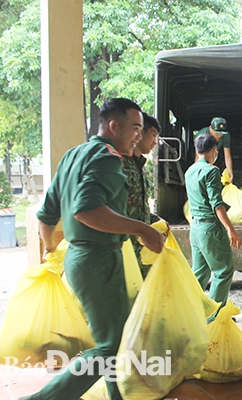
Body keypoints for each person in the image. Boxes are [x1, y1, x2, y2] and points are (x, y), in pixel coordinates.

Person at [23, 98, 165, 400]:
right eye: (136, 129)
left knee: (115, 335)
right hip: (98, 261)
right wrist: (142, 229)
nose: (138, 136)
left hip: (81, 258)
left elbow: (47, 214)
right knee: (109, 345)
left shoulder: (75, 154)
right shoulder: (107, 158)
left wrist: (50, 248)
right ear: (114, 126)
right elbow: (86, 211)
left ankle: (118, 396)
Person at [185, 133, 242, 322]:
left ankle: (191, 312)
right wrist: (230, 229)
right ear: (213, 151)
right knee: (223, 271)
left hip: (196, 229)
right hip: (210, 229)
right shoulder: (211, 171)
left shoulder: (190, 171)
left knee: (200, 273)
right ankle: (214, 317)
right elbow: (216, 205)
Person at [123, 112, 162, 278]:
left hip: (140, 246)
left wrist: (155, 220)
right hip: (123, 248)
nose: (155, 142)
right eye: (153, 135)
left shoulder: (141, 168)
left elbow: (138, 205)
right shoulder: (119, 164)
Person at [194, 117, 234, 182]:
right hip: (203, 158)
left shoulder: (225, 135)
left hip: (214, 156)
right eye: (217, 133)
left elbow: (227, 156)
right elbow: (198, 157)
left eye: (221, 133)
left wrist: (230, 175)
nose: (219, 135)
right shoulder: (202, 135)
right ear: (210, 129)